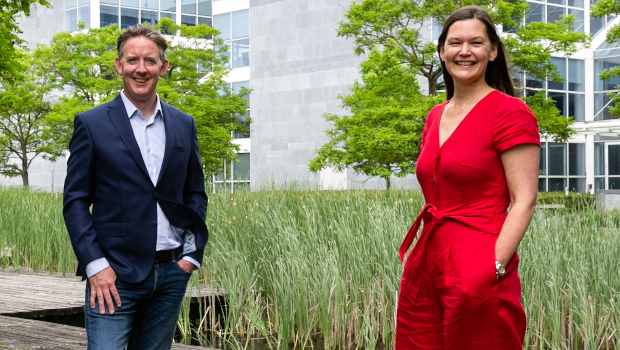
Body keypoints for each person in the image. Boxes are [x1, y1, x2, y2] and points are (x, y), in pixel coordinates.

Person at [396, 6, 540, 349]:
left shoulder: (510, 112)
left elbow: (525, 200)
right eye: (455, 42)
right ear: (442, 51)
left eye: (476, 42)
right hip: (426, 260)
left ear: (492, 51)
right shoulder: (434, 116)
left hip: (481, 259)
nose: (465, 51)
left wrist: (493, 267)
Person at [63, 24, 209, 350]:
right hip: (112, 277)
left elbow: (195, 193)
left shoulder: (184, 124)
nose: (141, 69)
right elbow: (75, 202)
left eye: (150, 61)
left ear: (163, 67)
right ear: (118, 65)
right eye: (132, 60)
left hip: (171, 274)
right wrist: (96, 266)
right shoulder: (91, 123)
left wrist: (190, 255)